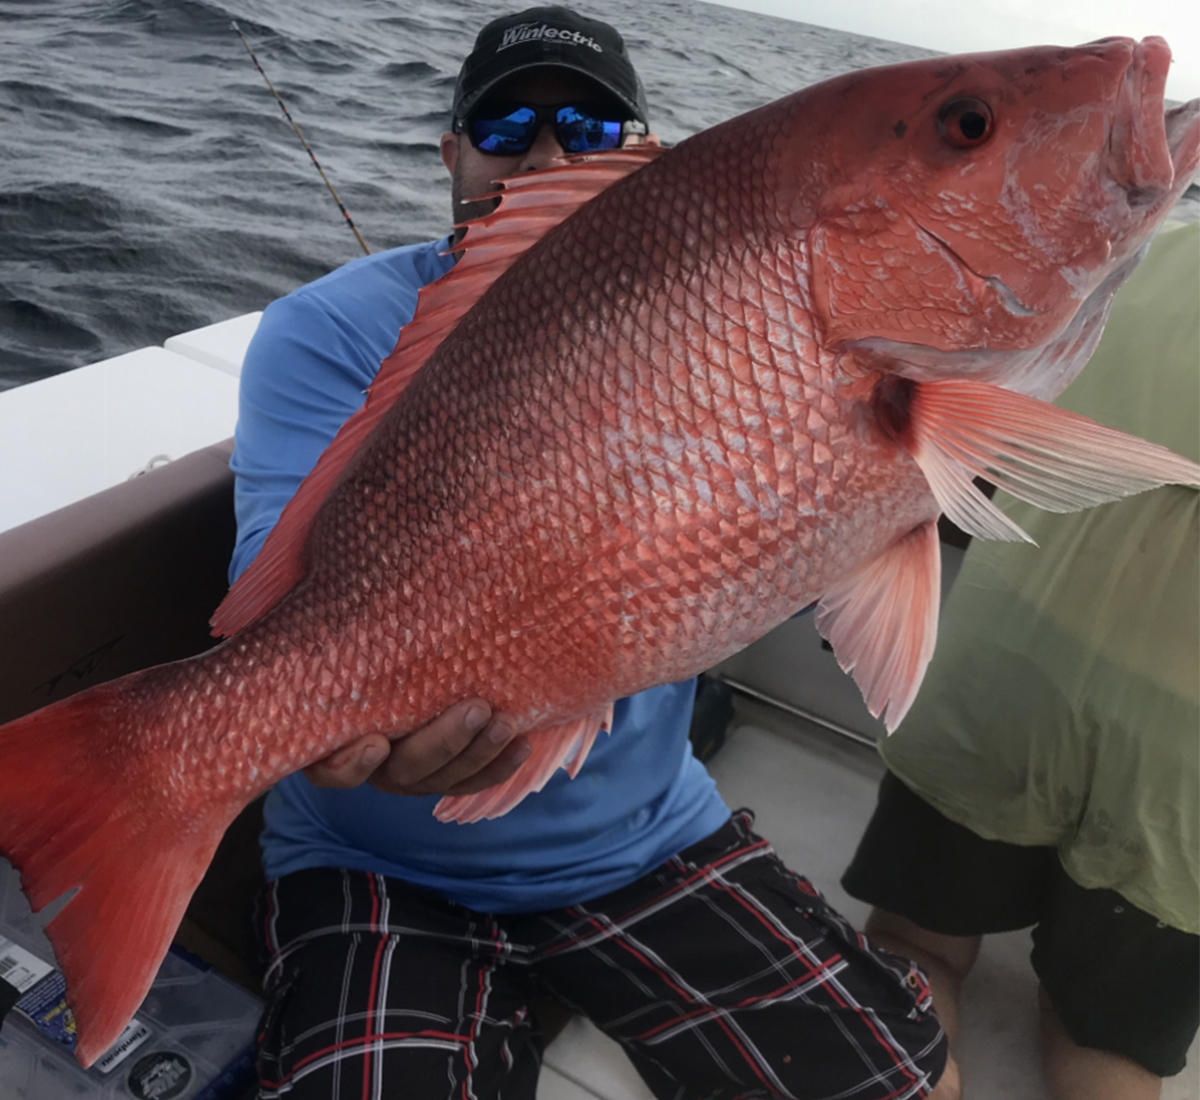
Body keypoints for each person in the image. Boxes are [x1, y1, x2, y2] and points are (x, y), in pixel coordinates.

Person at [230, 8, 948, 1097]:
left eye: (592, 130)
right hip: (376, 859)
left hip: (644, 841)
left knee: (911, 1085)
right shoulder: (324, 329)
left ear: (648, 156)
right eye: (503, 127)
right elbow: (284, 607)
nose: (545, 156)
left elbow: (790, 561)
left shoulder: (736, 320)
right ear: (450, 153)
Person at [841, 222, 1200, 1100]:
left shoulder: (1134, 246)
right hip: (1183, 759)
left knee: (913, 949)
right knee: (1104, 1043)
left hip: (1012, 664)